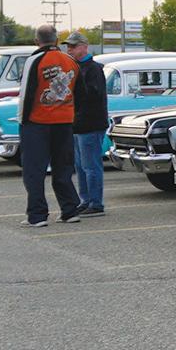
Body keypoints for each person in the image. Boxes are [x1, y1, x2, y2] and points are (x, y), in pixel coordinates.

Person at [17, 24, 83, 227]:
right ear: (56, 40)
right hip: (64, 122)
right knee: (63, 168)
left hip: (38, 122)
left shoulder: (34, 60)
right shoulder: (70, 61)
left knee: (34, 171)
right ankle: (69, 210)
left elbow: (26, 94)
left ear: (37, 41)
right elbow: (80, 93)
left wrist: (23, 121)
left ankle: (37, 215)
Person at [64, 36, 108, 216]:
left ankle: (96, 203)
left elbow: (92, 95)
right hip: (78, 125)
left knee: (90, 166)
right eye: (68, 46)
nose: (69, 50)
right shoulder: (76, 68)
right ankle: (86, 200)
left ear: (84, 47)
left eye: (73, 46)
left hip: (90, 124)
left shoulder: (93, 69)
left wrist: (72, 91)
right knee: (81, 166)